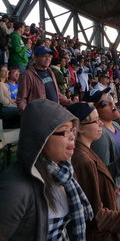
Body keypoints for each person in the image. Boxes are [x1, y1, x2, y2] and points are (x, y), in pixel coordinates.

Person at [0, 99, 93, 240]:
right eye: (64, 132)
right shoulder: (15, 189)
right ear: (41, 138)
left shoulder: (64, 172)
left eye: (72, 130)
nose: (72, 137)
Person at [68, 102, 120, 240]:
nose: (101, 124)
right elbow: (94, 215)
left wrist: (110, 191)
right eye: (95, 120)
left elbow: (93, 191)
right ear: (79, 128)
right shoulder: (82, 160)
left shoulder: (86, 153)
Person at [17, 46, 72, 111]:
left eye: (49, 56)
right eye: (44, 56)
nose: (48, 59)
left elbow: (57, 93)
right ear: (35, 57)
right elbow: (22, 99)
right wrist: (27, 115)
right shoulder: (28, 75)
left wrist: (70, 102)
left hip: (55, 111)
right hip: (40, 115)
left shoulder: (50, 71)